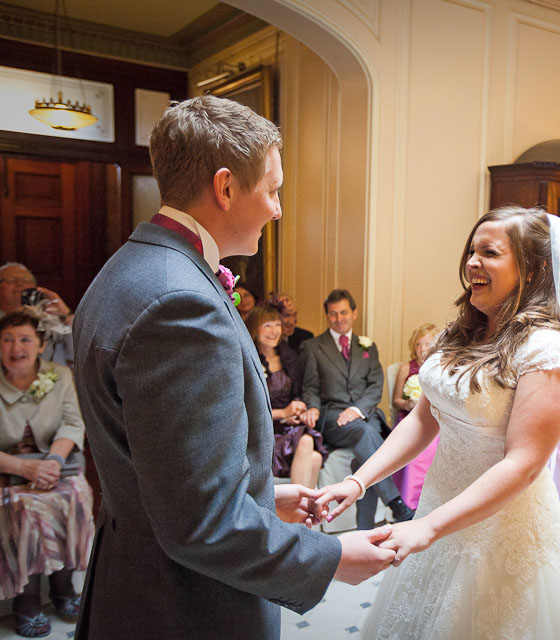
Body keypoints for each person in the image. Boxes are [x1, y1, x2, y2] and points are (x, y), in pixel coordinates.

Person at [72, 96, 396, 640]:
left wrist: (261, 497)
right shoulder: (180, 304)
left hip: (136, 578)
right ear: (225, 188)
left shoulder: (130, 266)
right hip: (184, 607)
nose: (278, 209)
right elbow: (202, 522)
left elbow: (165, 471)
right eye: (273, 190)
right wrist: (332, 557)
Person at [313, 207, 560, 638]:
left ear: (532, 269)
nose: (472, 263)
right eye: (472, 251)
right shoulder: (464, 330)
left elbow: (524, 463)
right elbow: (424, 418)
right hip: (438, 507)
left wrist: (427, 527)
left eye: (490, 253)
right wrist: (358, 482)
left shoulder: (545, 350)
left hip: (503, 533)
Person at [0, 311, 94, 638]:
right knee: (24, 509)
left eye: (25, 339)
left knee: (74, 496)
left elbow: (73, 423)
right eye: (7, 339)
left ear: (41, 345)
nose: (16, 347)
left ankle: (64, 590)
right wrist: (23, 467)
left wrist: (53, 461)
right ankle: (25, 602)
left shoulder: (60, 375)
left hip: (54, 465)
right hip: (7, 471)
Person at [300, 289, 415, 528]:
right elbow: (310, 387)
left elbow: (375, 385)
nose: (339, 318)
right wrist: (312, 407)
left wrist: (357, 410)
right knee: (366, 433)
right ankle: (396, 504)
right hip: (334, 418)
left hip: (365, 414)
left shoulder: (367, 347)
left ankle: (365, 528)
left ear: (354, 313)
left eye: (343, 312)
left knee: (362, 458)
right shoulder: (312, 347)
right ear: (327, 316)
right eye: (333, 314)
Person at [245, 303, 325, 486]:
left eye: (277, 325)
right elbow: (248, 408)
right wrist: (282, 413)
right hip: (263, 430)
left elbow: (297, 394)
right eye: (267, 325)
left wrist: (297, 412)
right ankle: (301, 503)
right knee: (307, 443)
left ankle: (301, 504)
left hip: (287, 427)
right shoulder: (249, 361)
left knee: (315, 458)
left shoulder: (288, 357)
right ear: (255, 328)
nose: (274, 331)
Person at [391, 322, 439, 510]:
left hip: (434, 417)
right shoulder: (406, 368)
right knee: (416, 443)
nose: (422, 349)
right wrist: (408, 404)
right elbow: (396, 400)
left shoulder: (438, 368)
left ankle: (430, 499)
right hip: (409, 417)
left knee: (435, 442)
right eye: (419, 344)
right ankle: (410, 501)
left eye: (427, 344)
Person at [0, 263, 74, 367]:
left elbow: (78, 352)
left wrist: (66, 316)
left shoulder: (49, 318)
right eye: (11, 280)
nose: (20, 284)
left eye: (26, 280)